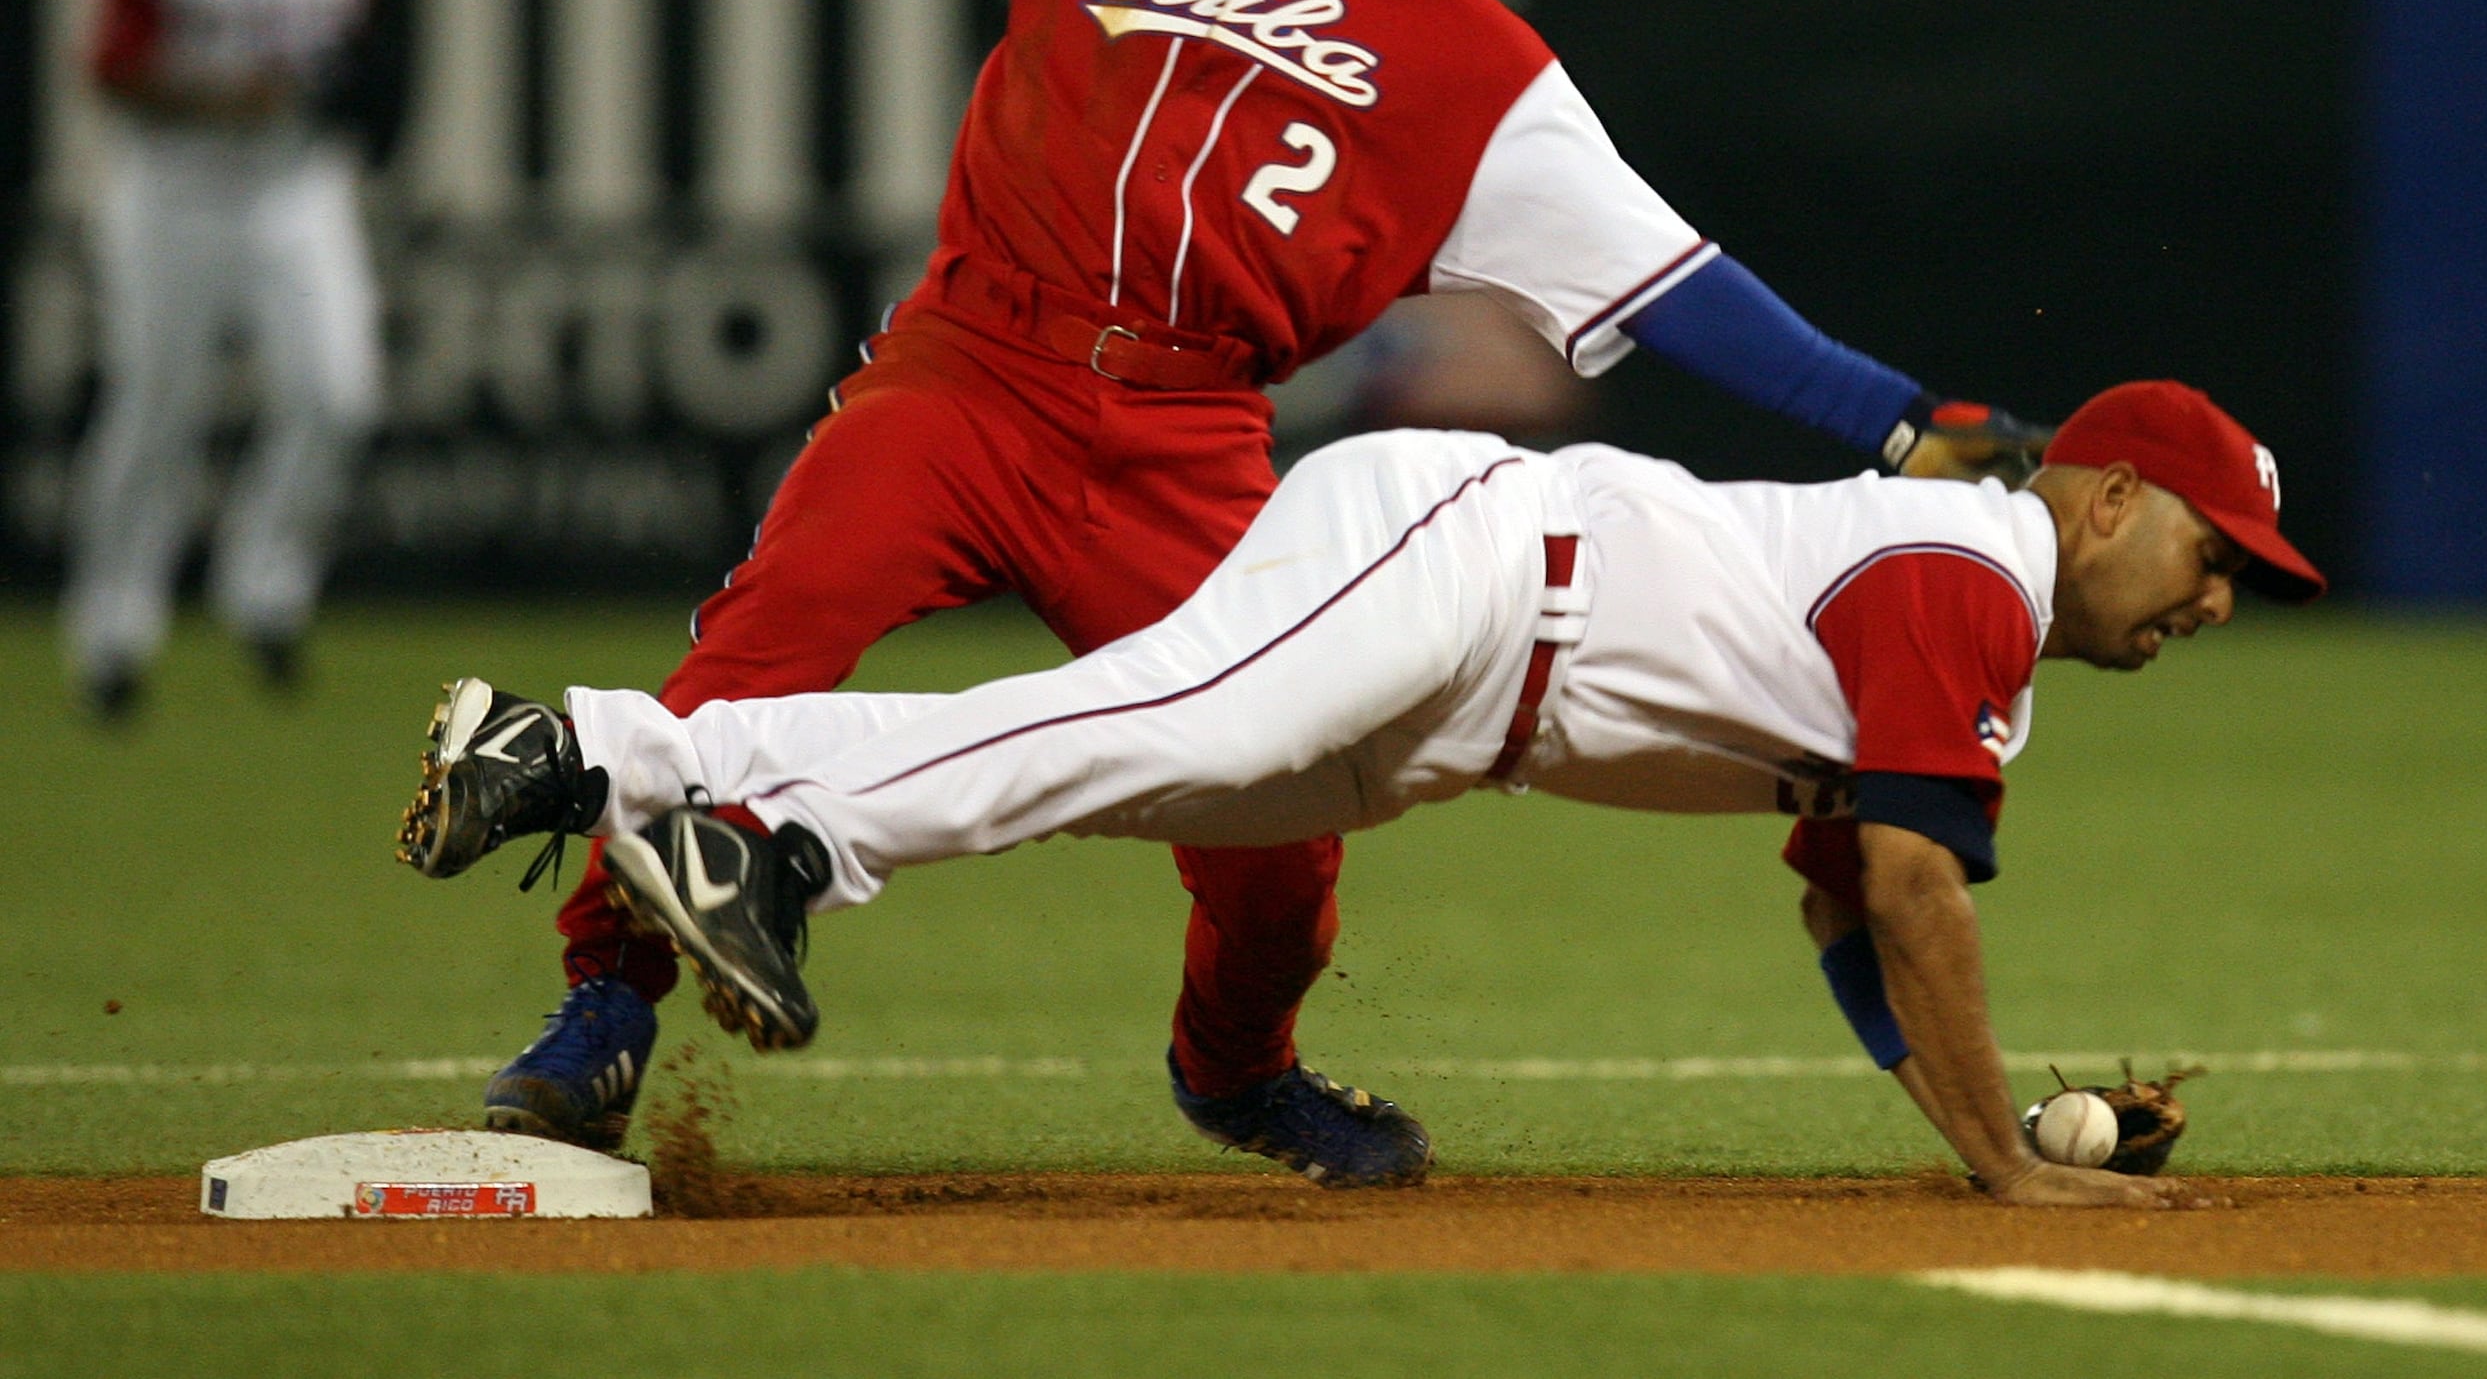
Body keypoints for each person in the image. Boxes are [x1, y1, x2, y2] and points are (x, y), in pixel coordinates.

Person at [445, 0, 2050, 1179]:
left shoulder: (1475, 65)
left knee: (1278, 833)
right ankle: (603, 1006)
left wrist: (1899, 419)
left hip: (1187, 433)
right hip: (972, 369)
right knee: (758, 649)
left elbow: (1677, 282)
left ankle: (1234, 1067)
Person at [404, 380, 2320, 1200]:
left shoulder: (1982, 628)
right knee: (1161, 729)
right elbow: (1914, 883)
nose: (2221, 595)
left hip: (1463, 706)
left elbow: (1844, 904)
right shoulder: (1973, 569)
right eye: (2214, 549)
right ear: (2110, 497)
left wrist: (1989, 1129)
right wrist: (2000, 1159)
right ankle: (661, 777)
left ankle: (645, 774)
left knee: (1109, 762)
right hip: (1472, 561)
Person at [64, 0, 381, 718]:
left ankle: (266, 591)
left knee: (337, 394)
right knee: (158, 407)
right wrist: (220, 99)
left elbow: (346, 52)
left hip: (295, 189)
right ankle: (113, 632)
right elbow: (107, 72)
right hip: (176, 195)